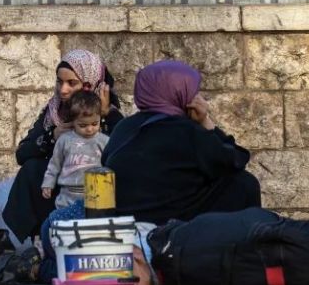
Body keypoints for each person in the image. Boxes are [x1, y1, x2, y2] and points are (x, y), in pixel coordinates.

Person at [102, 60, 261, 225]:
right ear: (178, 92)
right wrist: (206, 122)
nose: (195, 97)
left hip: (125, 219)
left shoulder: (124, 126)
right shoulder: (185, 130)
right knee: (244, 183)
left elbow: (105, 160)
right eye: (193, 91)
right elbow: (235, 159)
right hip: (170, 222)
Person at [2, 49, 123, 241]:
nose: (63, 90)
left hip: (95, 194)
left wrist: (106, 113)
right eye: (59, 81)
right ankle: (42, 239)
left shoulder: (107, 114)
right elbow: (22, 153)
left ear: (89, 84)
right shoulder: (54, 113)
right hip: (56, 192)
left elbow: (122, 152)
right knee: (33, 169)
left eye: (71, 83)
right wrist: (53, 135)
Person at [40, 91, 109, 210]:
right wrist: (48, 183)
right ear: (73, 122)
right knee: (62, 225)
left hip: (97, 195)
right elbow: (55, 164)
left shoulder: (104, 141)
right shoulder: (65, 140)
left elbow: (112, 165)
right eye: (83, 125)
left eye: (94, 124)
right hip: (68, 196)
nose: (89, 129)